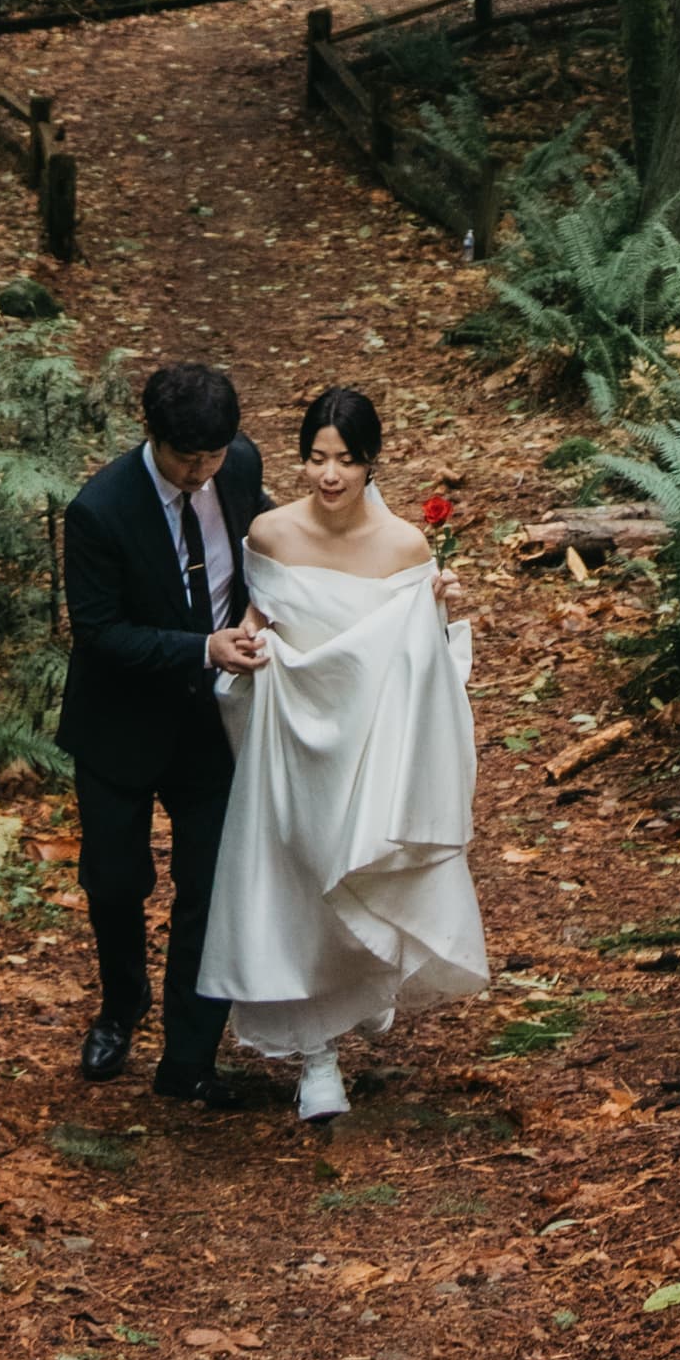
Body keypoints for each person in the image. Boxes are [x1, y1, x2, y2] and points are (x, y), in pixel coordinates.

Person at [199, 381, 486, 1131]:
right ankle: (317, 1057)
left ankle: (361, 988)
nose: (329, 476)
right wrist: (250, 642)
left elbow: (420, 653)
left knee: (357, 861)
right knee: (298, 878)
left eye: (346, 462)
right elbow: (257, 614)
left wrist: (442, 605)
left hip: (369, 733)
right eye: (317, 459)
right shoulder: (270, 534)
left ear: (370, 465)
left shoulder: (405, 547)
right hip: (293, 732)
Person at [54, 357, 270, 1100]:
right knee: (116, 881)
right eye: (188, 458)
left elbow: (271, 552)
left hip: (214, 720)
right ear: (152, 436)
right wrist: (198, 647)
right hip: (119, 726)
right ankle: (121, 1007)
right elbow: (98, 632)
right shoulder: (99, 510)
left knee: (207, 886)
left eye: (213, 456)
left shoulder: (238, 467)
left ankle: (190, 1057)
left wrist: (254, 622)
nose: (202, 472)